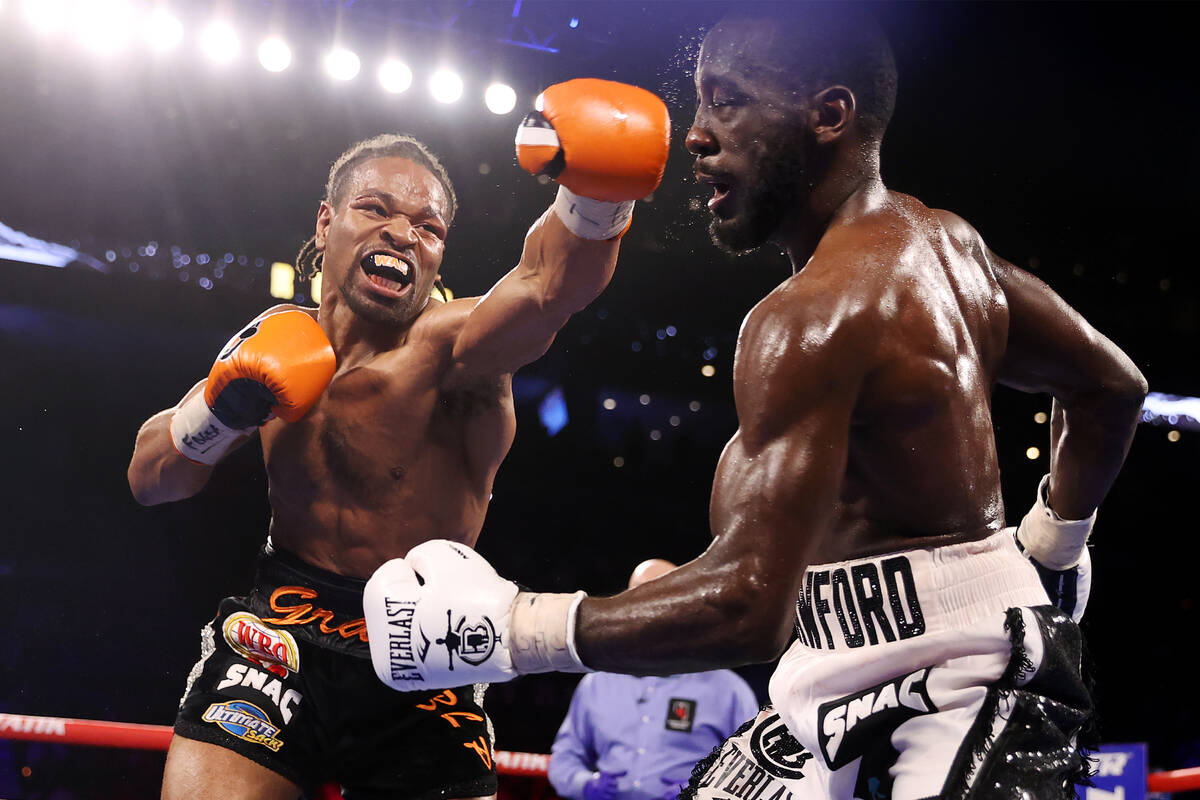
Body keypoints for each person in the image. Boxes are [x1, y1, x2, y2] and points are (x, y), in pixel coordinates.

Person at [362, 6, 1148, 798]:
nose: (696, 134)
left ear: (829, 116)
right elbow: (1111, 387)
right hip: (829, 668)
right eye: (701, 101)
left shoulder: (810, 317)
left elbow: (749, 606)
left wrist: (510, 629)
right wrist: (1056, 543)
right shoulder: (949, 246)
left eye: (728, 100)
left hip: (969, 669)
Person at [126, 78, 670, 800]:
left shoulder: (455, 349)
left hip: (428, 650)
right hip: (280, 634)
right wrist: (222, 413)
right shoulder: (278, 340)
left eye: (428, 226)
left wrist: (597, 195)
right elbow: (151, 477)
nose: (402, 232)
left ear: (440, 253)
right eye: (375, 208)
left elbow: (546, 286)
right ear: (325, 223)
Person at [548, 560, 759, 800]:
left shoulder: (727, 690)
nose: (648, 610)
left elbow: (754, 769)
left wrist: (704, 790)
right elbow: (565, 758)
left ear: (686, 606)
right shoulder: (598, 684)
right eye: (638, 598)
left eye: (661, 598)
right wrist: (585, 784)